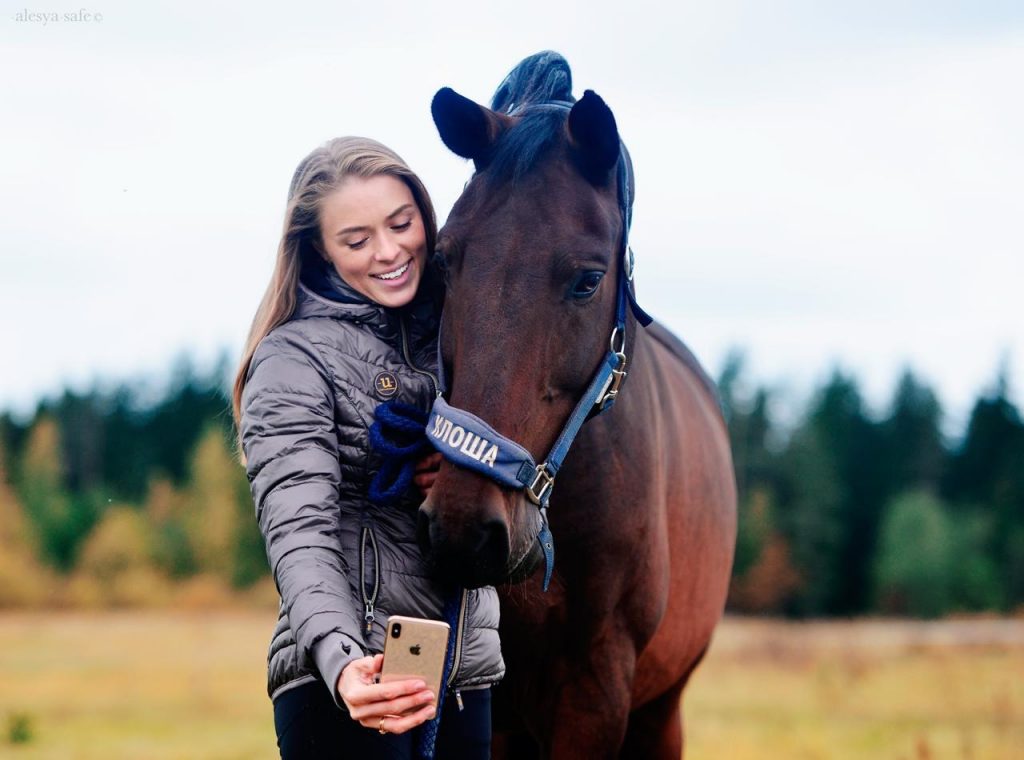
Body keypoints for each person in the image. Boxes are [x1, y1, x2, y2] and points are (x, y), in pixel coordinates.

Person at [231, 136, 503, 759]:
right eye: (356, 241)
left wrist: (468, 474)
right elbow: (299, 531)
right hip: (351, 685)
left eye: (402, 224)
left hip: (464, 681)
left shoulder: (465, 339)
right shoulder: (290, 359)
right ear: (318, 250)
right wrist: (342, 661)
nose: (388, 252)